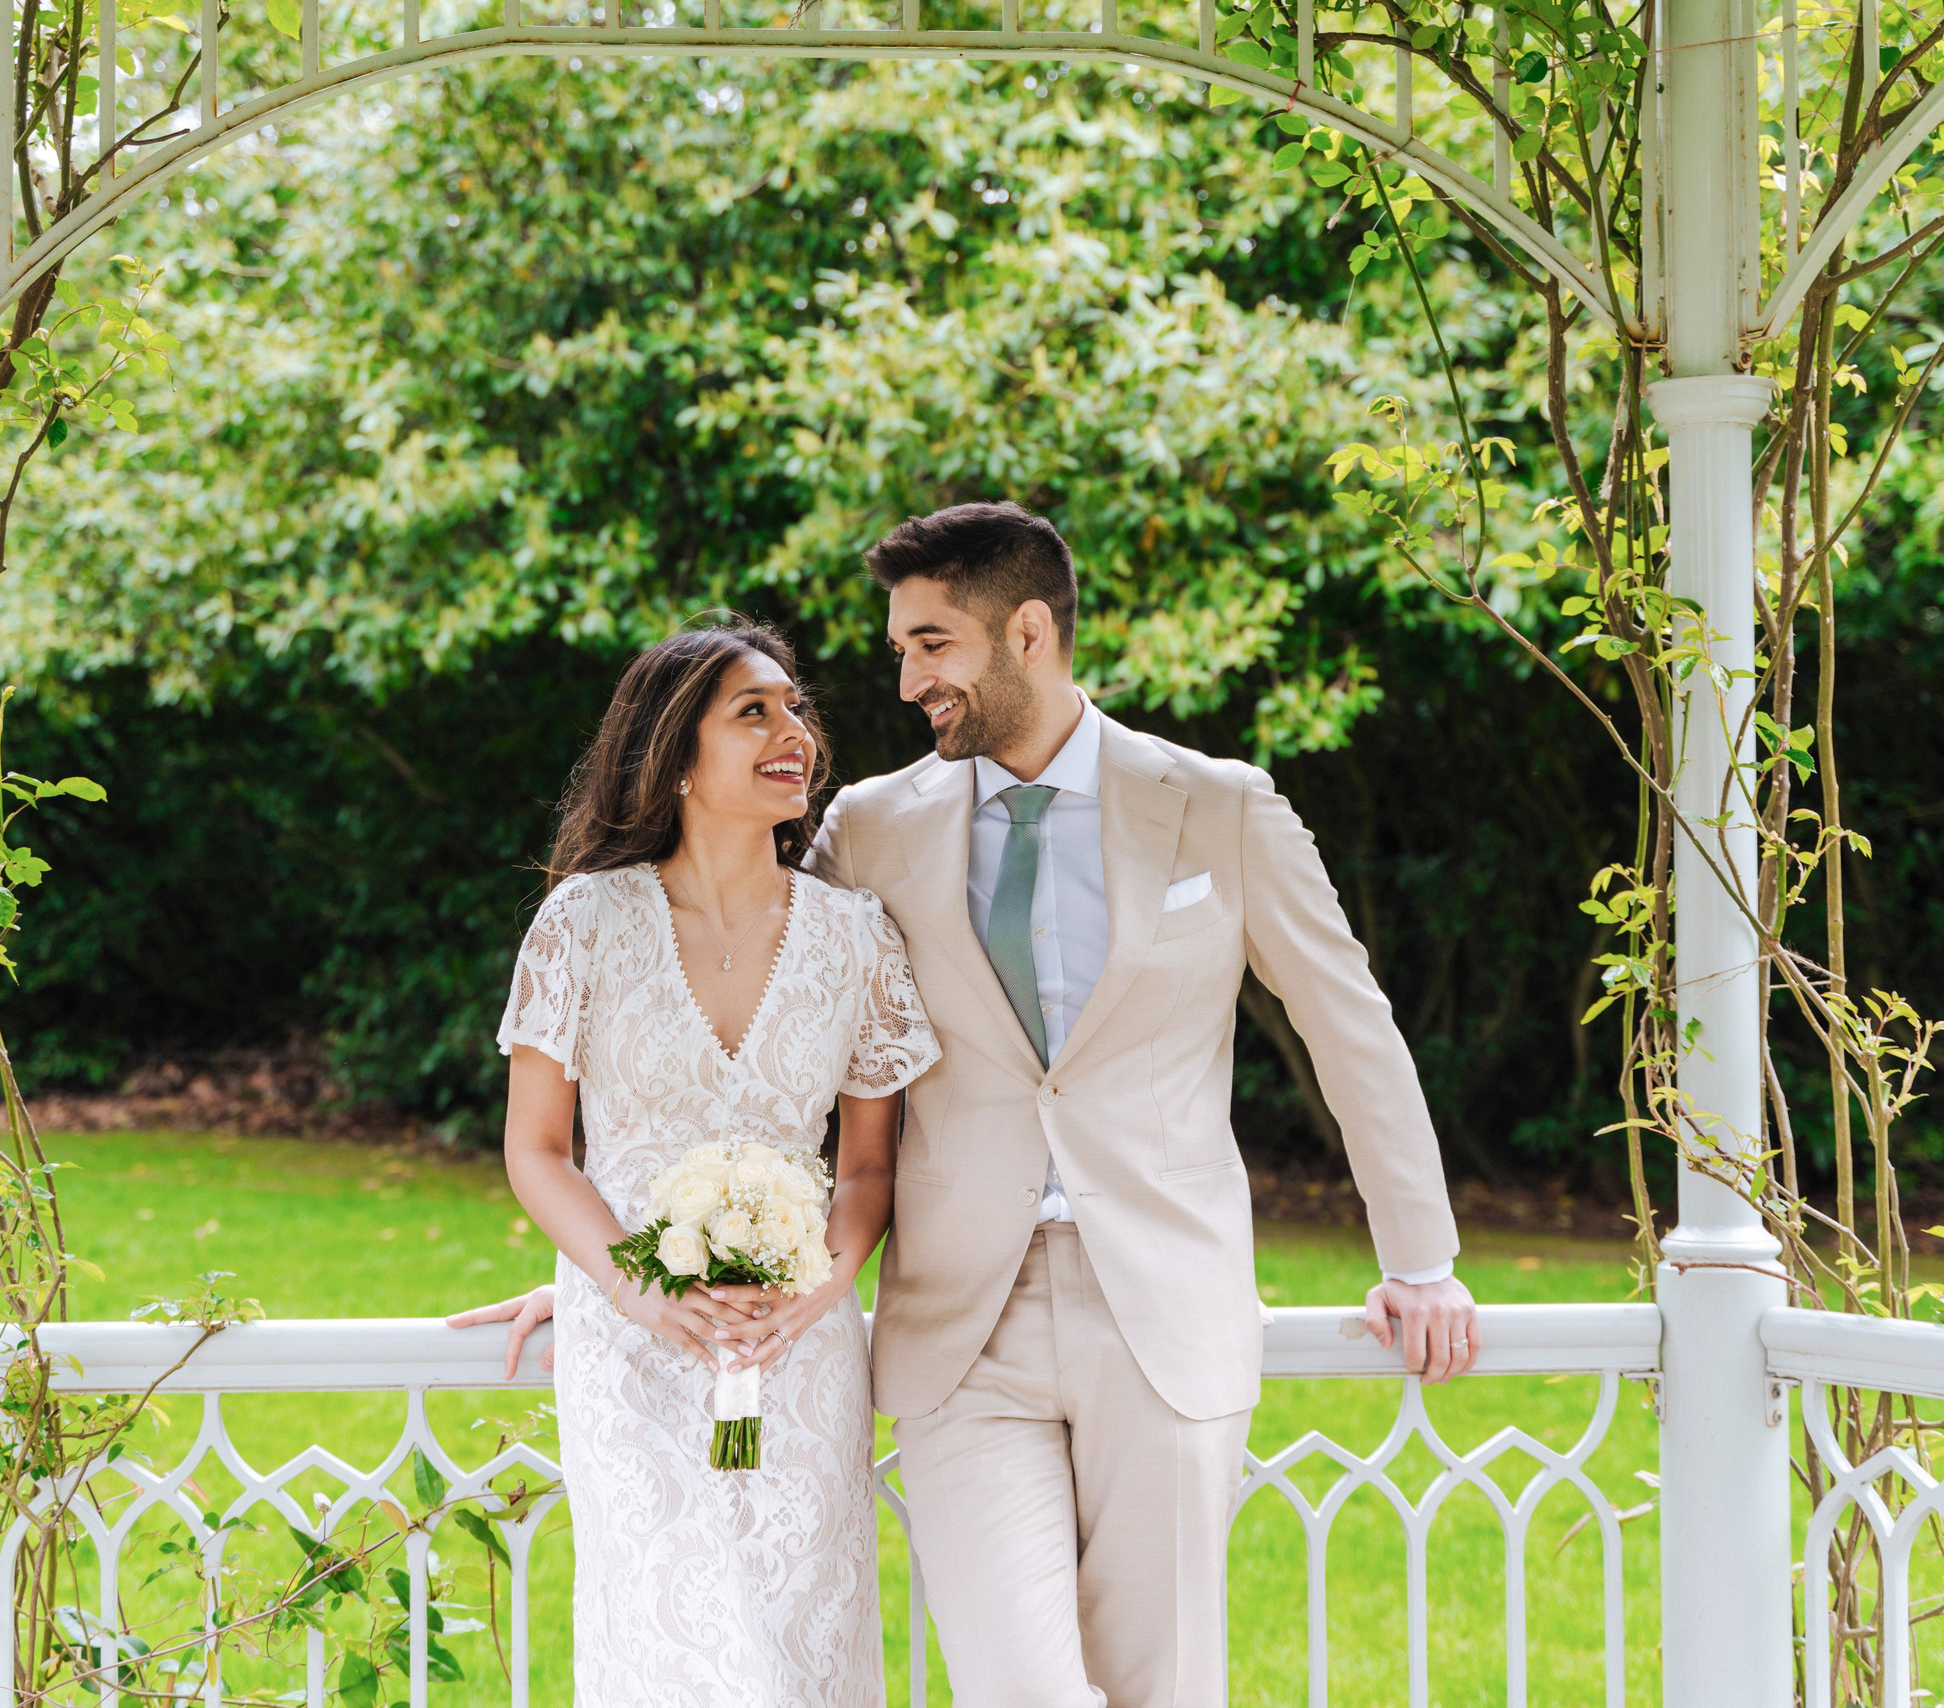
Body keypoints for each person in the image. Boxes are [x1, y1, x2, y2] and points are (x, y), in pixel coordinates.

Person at [462, 501, 1480, 1708]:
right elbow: (748, 1023)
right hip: (959, 1323)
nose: (906, 682)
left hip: (1166, 1307)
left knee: (1162, 1685)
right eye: (900, 649)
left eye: (930, 645)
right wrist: (628, 1259)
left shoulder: (1221, 806)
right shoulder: (870, 830)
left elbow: (1350, 1027)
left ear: (1027, 633)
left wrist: (1421, 1259)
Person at [447, 622, 939, 1708]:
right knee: (673, 1653)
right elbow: (537, 1151)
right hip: (632, 1353)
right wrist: (628, 1284)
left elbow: (868, 1168)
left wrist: (817, 1291)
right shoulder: (583, 923)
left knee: (798, 1655)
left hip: (799, 1351)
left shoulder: (855, 937)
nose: (792, 731)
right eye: (753, 712)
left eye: (796, 708)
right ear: (675, 756)